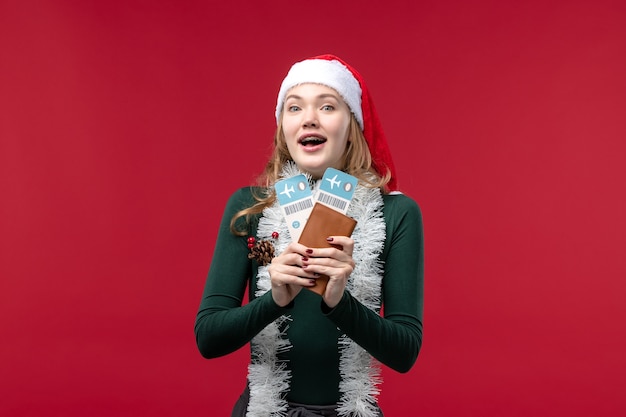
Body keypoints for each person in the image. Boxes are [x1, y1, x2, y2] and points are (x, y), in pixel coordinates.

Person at [195, 54, 424, 417]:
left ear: (353, 125)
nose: (309, 118)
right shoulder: (249, 209)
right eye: (294, 107)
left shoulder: (396, 213)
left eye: (328, 106)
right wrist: (275, 299)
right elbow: (207, 338)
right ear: (283, 127)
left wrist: (340, 303)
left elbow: (405, 352)